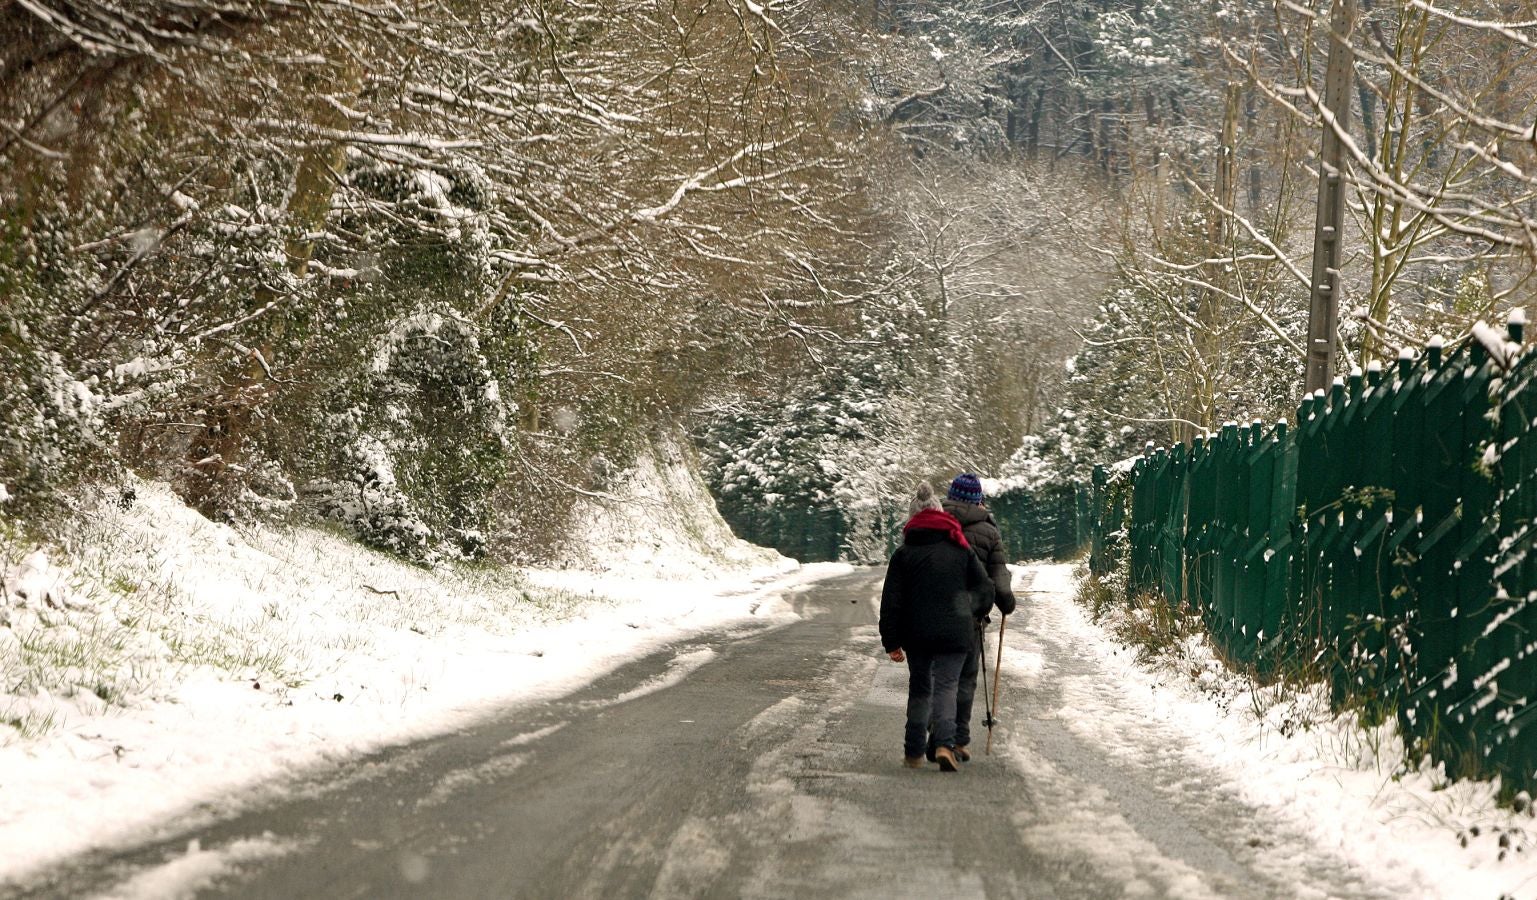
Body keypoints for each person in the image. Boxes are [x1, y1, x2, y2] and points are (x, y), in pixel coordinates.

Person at [880, 482, 995, 772]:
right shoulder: (961, 550)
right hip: (956, 632)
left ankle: (914, 752)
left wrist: (891, 641)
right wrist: (969, 611)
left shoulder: (904, 554)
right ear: (941, 515)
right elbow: (985, 589)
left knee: (920, 689)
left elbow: (891, 602)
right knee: (946, 686)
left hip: (917, 635)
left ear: (912, 520)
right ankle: (945, 744)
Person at [938, 472, 1017, 762]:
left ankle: (938, 731)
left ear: (950, 497)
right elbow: (998, 575)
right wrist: (1006, 602)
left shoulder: (936, 523)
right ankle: (958, 740)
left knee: (939, 675)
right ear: (978, 500)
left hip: (934, 611)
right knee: (966, 678)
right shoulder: (988, 531)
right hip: (969, 616)